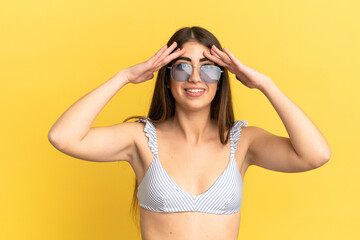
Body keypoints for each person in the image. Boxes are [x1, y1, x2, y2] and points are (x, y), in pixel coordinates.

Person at [48, 26, 331, 240]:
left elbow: (316, 155)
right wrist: (124, 77)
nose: (195, 78)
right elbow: (63, 137)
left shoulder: (243, 141)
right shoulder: (140, 139)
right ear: (167, 78)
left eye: (208, 70)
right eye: (183, 68)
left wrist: (266, 84)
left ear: (221, 81)